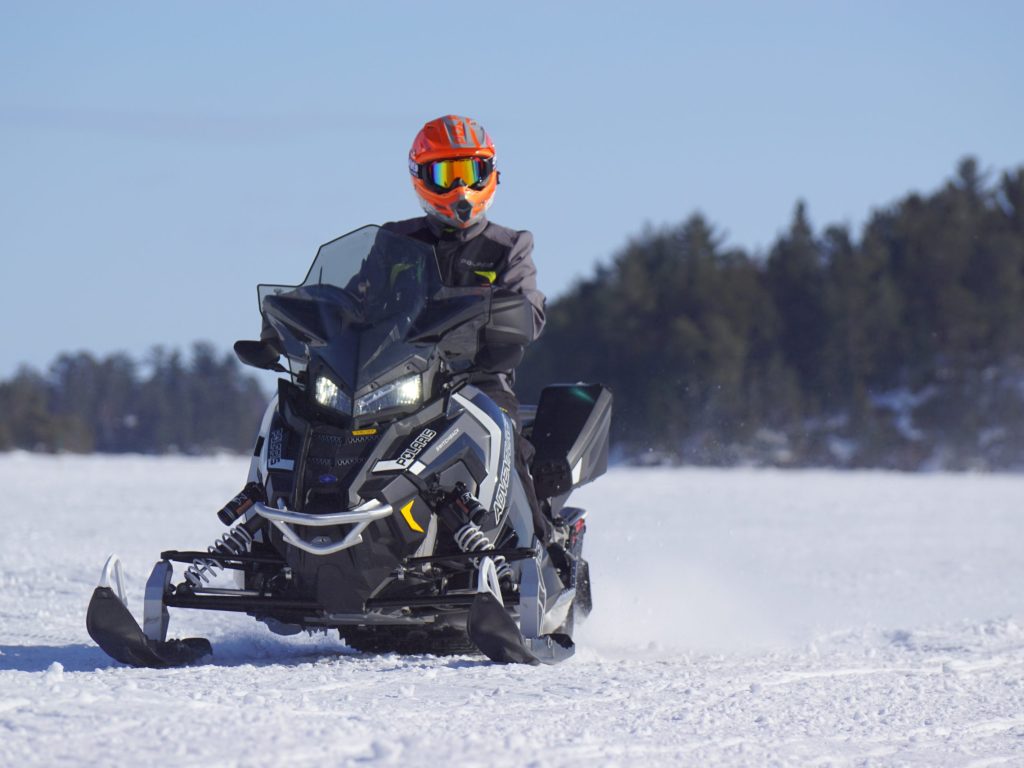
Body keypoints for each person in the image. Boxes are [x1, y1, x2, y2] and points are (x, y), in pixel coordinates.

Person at [389, 114, 550, 539]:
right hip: (398, 381)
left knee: (504, 438)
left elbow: (529, 309)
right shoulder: (393, 244)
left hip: (479, 379)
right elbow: (355, 299)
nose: (459, 189)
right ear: (421, 177)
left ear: (490, 174)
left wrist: (498, 320)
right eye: (445, 174)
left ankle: (537, 546)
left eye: (470, 173)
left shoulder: (509, 246)